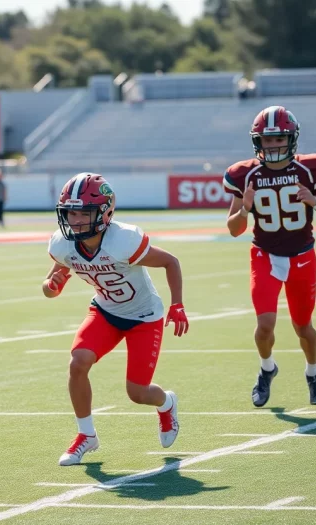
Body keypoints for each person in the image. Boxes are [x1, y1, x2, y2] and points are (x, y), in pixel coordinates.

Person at [44, 172, 189, 466]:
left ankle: (166, 403)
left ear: (105, 212)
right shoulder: (63, 245)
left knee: (137, 392)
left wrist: (177, 304)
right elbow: (49, 287)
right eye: (71, 212)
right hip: (106, 311)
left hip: (144, 317)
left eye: (84, 213)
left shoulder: (124, 240)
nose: (75, 220)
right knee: (78, 363)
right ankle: (87, 435)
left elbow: (170, 261)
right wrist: (51, 287)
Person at [223, 105, 316, 408]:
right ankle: (267, 369)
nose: (274, 145)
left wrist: (314, 201)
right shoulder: (245, 175)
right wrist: (245, 208)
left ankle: (313, 374)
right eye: (267, 140)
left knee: (303, 327)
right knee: (265, 325)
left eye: (279, 139)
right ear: (258, 142)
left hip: (302, 256)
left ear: (291, 139)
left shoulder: (309, 169)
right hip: (264, 254)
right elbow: (234, 229)